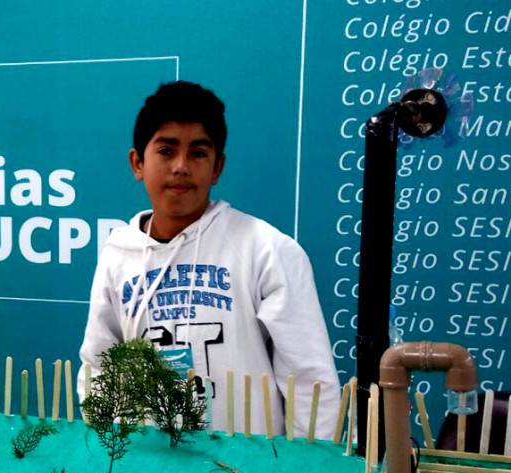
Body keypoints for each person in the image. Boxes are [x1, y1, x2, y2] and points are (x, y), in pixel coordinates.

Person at [78, 81, 341, 437]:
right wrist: (112, 452)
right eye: (166, 151)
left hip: (249, 471)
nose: (181, 166)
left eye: (198, 153)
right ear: (137, 163)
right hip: (150, 468)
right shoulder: (118, 255)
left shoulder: (266, 249)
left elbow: (310, 380)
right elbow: (99, 365)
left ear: (217, 168)